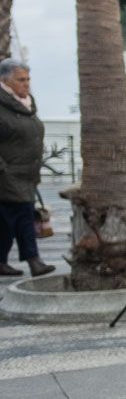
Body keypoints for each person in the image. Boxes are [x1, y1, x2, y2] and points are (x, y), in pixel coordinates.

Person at [0, 59, 54, 277]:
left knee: (6, 221)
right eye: (21, 80)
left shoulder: (25, 103)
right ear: (5, 81)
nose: (27, 84)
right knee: (23, 215)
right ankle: (34, 261)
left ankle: (1, 261)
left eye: (28, 79)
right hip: (8, 175)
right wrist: (3, 169)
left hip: (27, 174)